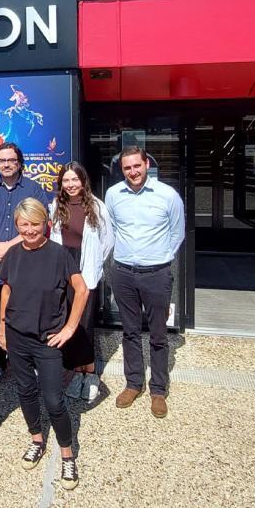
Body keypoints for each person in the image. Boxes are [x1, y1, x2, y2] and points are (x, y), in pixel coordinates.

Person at [0, 198, 89, 491]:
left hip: (48, 339)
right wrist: (1, 328)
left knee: (54, 400)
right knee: (25, 391)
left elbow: (82, 290)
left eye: (34, 224)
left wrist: (70, 328)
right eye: (23, 225)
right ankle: (36, 439)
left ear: (45, 224)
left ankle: (67, 454)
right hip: (17, 336)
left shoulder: (59, 254)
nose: (29, 230)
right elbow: (6, 290)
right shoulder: (13, 254)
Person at [104, 146, 184, 419]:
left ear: (146, 164)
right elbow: (113, 228)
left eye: (136, 166)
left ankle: (158, 390)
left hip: (156, 274)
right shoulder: (113, 195)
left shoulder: (167, 195)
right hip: (123, 273)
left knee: (159, 335)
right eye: (127, 168)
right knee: (130, 331)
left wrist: (158, 258)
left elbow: (177, 233)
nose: (133, 172)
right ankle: (133, 383)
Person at [0, 142, 48, 388]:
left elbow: (41, 221)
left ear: (19, 163)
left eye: (11, 160)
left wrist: (8, 246)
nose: (6, 164)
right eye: (2, 160)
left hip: (26, 265)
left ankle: (29, 364)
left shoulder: (34, 189)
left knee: (28, 315)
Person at [49, 162, 115, 402]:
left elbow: (108, 241)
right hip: (63, 268)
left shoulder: (97, 207)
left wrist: (95, 265)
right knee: (69, 320)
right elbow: (54, 237)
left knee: (84, 324)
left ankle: (91, 373)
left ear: (83, 181)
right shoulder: (57, 205)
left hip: (85, 270)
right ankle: (77, 372)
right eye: (66, 180)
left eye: (74, 180)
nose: (70, 185)